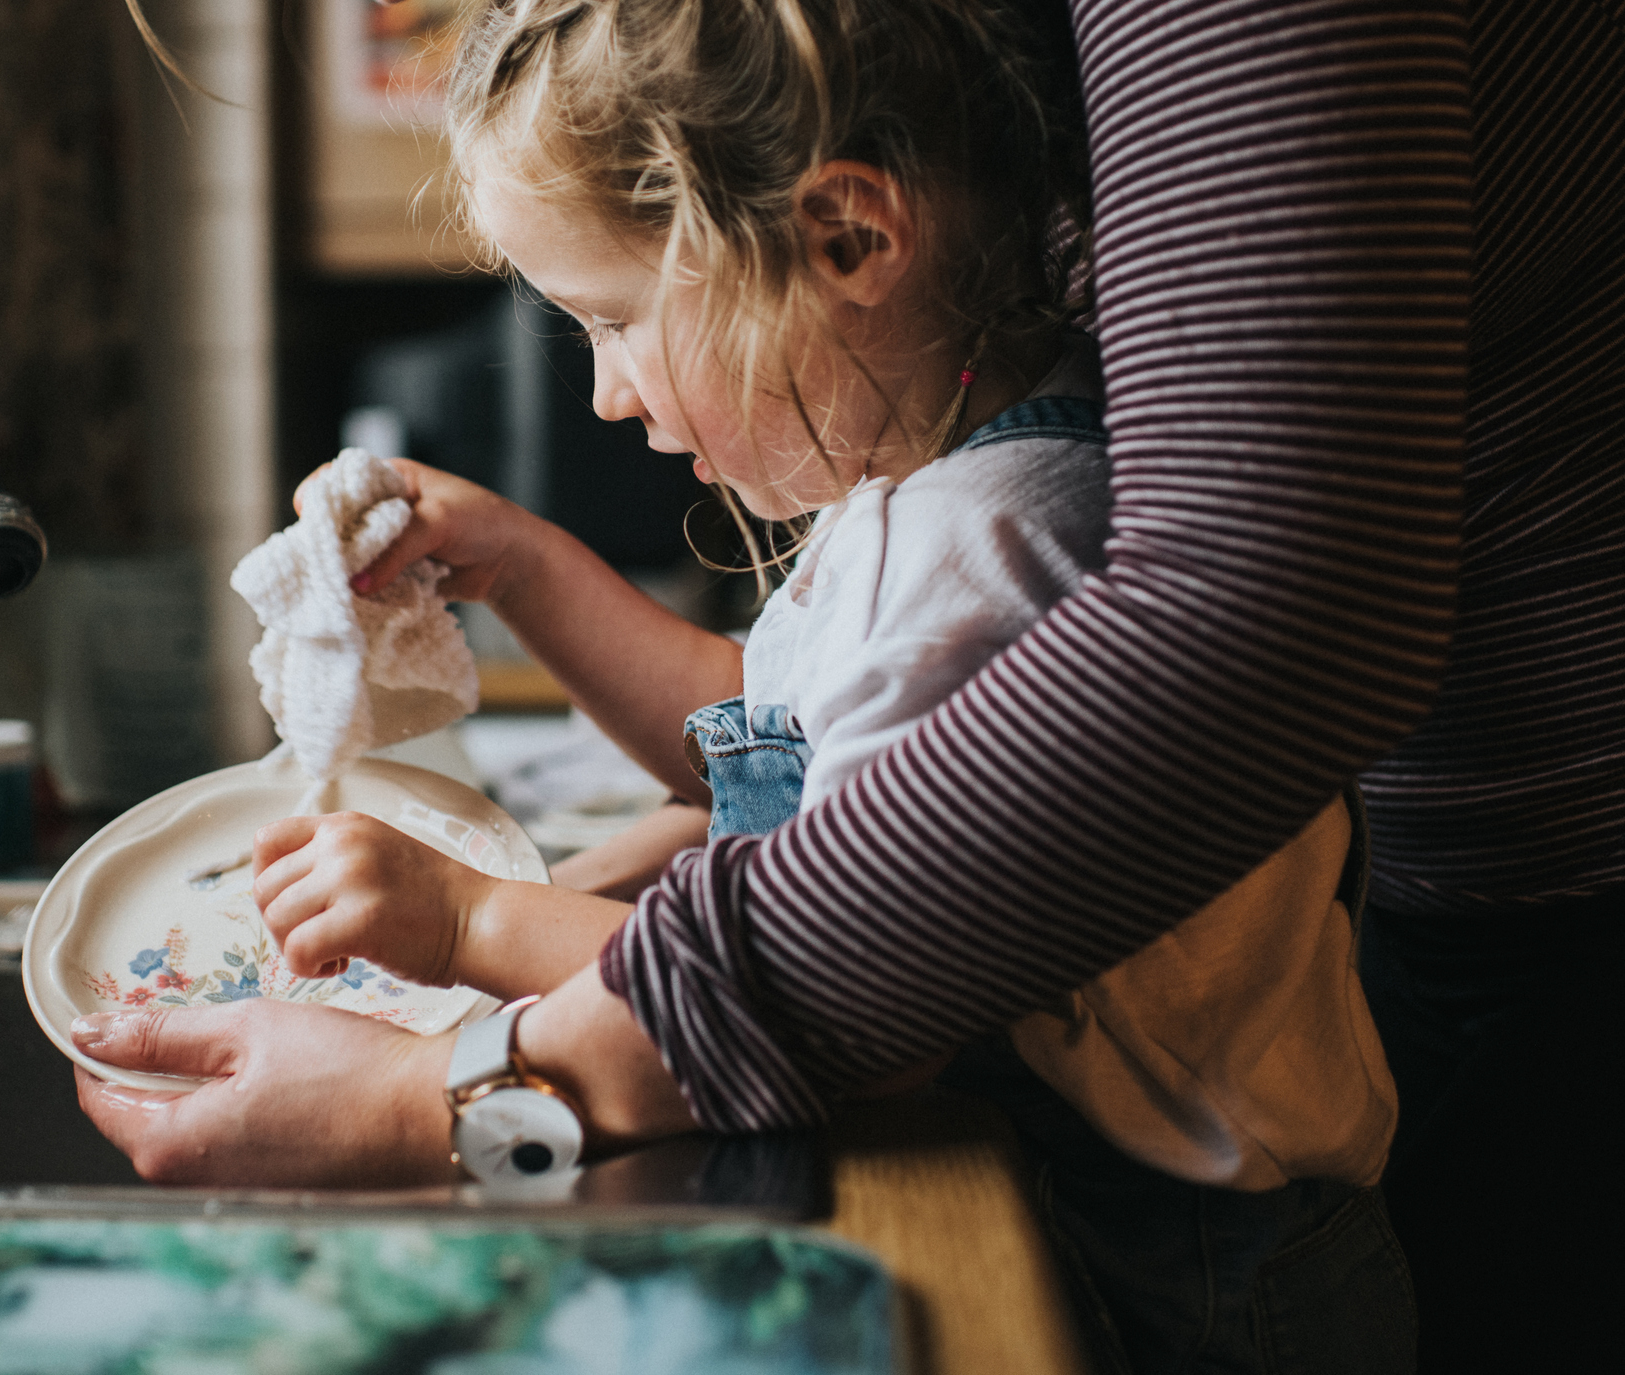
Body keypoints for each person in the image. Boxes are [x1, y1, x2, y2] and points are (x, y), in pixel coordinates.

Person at [87, 1, 1619, 1369]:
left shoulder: (977, 548)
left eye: (613, 322)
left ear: (846, 240)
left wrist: (469, 942)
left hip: (1196, 1264)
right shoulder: (946, 495)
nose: (606, 390)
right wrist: (536, 576)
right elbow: (763, 742)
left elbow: (878, 1027)